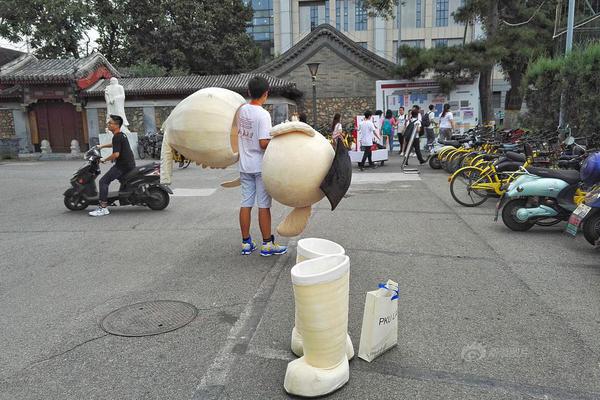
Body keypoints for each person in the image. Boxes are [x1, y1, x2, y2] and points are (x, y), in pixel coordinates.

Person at [237, 76, 287, 257]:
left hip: (244, 165)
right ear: (266, 94)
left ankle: (246, 242)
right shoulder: (263, 115)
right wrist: (277, 140)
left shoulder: (241, 111)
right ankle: (267, 244)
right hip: (260, 166)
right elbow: (263, 143)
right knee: (264, 205)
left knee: (246, 204)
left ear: (249, 92)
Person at [89, 115, 136, 217]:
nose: (108, 125)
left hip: (122, 166)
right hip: (129, 164)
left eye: (110, 123)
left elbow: (116, 154)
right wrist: (101, 146)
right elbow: (115, 144)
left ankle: (103, 208)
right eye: (108, 123)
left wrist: (103, 159)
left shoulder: (117, 136)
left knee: (103, 181)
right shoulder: (121, 135)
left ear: (116, 125)